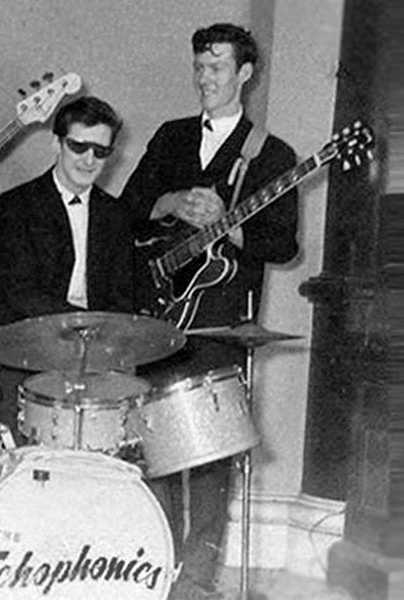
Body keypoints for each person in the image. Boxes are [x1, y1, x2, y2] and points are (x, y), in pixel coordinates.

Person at [120, 23, 299, 599]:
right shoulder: (170, 137)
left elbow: (284, 245)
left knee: (211, 460)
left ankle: (195, 584)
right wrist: (171, 201)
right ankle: (154, 570)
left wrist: (231, 224)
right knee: (151, 452)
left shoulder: (272, 154)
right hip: (158, 320)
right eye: (199, 66)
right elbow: (126, 210)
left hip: (219, 325)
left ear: (245, 74)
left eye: (217, 67)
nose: (204, 78)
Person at [0, 95, 136, 466]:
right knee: (13, 468)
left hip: (88, 360)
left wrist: (99, 345)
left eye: (100, 151)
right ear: (56, 144)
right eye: (79, 146)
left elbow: (121, 297)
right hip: (18, 354)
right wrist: (81, 328)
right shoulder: (16, 205)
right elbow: (18, 290)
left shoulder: (116, 216)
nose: (89, 159)